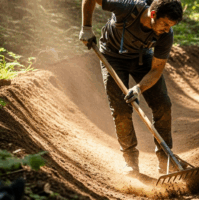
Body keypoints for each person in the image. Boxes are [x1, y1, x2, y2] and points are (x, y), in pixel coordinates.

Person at [79, 0, 187, 175]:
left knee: (163, 105)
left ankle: (166, 160)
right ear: (153, 14)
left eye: (171, 26)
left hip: (141, 57)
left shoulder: (166, 35)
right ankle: (131, 162)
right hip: (113, 56)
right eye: (165, 24)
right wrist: (86, 27)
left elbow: (156, 70)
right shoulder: (126, 7)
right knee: (121, 110)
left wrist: (138, 88)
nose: (167, 29)